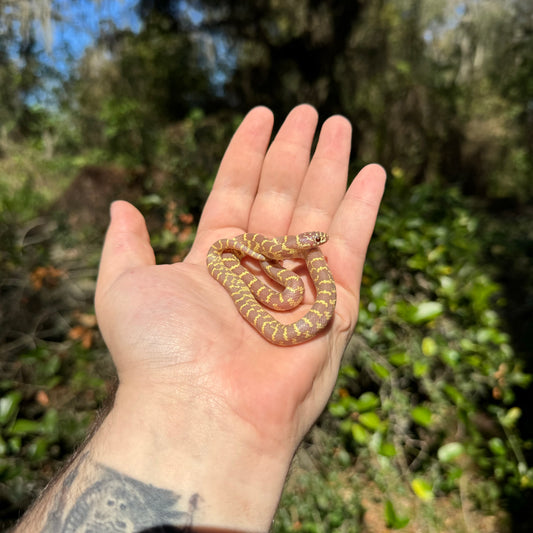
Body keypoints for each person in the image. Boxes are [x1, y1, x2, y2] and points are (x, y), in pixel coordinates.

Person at [15, 104, 386, 532]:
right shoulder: (258, 258)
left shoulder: (284, 266)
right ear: (295, 246)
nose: (318, 243)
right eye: (314, 240)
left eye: (318, 241)